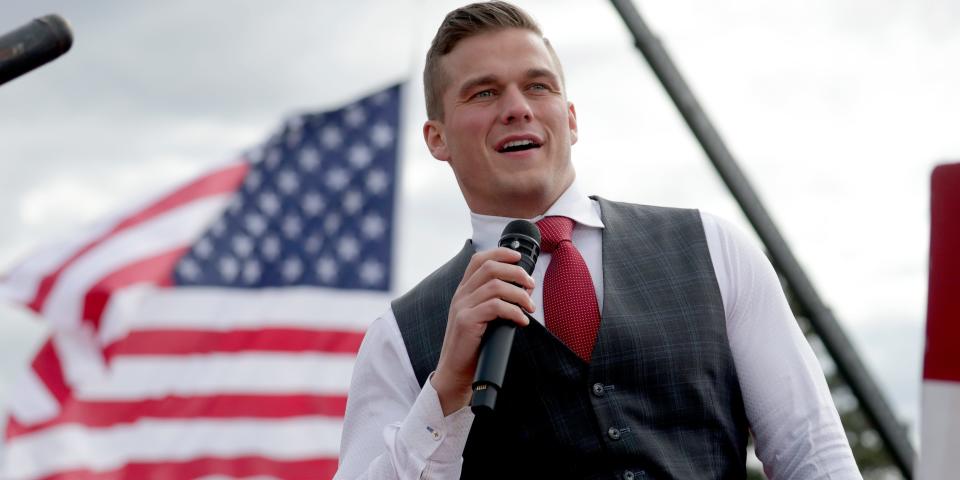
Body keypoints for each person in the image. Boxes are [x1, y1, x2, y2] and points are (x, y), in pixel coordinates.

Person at [334, 2, 860, 479]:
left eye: (538, 86)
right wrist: (445, 390)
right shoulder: (399, 338)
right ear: (438, 137)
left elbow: (810, 450)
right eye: (485, 92)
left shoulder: (714, 249)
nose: (517, 107)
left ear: (570, 117)